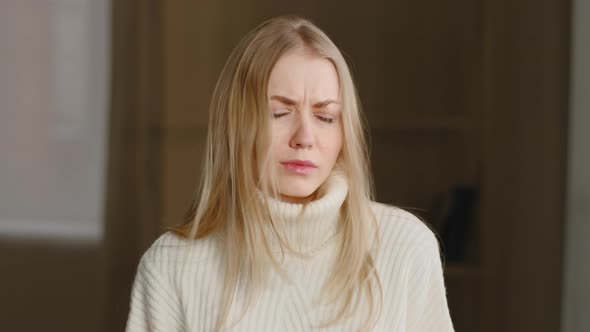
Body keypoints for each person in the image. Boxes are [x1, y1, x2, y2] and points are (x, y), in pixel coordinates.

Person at [125, 15, 455, 332]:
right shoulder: (172, 265)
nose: (305, 138)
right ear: (236, 123)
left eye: (326, 117)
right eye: (280, 113)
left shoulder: (406, 247)